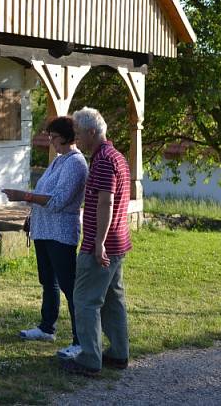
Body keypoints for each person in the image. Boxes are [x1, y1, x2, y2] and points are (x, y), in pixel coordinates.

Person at [1, 116, 88, 359]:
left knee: (70, 288)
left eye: (55, 137)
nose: (51, 142)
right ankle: (46, 327)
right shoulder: (59, 161)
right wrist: (31, 208)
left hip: (60, 233)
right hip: (44, 230)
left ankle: (80, 339)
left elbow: (58, 201)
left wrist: (24, 195)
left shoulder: (75, 163)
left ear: (68, 137)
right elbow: (44, 192)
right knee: (48, 282)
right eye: (49, 137)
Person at [60, 106, 132, 377]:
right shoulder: (117, 156)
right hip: (118, 242)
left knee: (86, 301)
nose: (76, 138)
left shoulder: (102, 160)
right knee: (114, 300)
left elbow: (106, 201)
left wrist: (98, 242)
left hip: (100, 246)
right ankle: (118, 353)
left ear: (92, 131)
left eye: (78, 133)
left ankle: (90, 358)